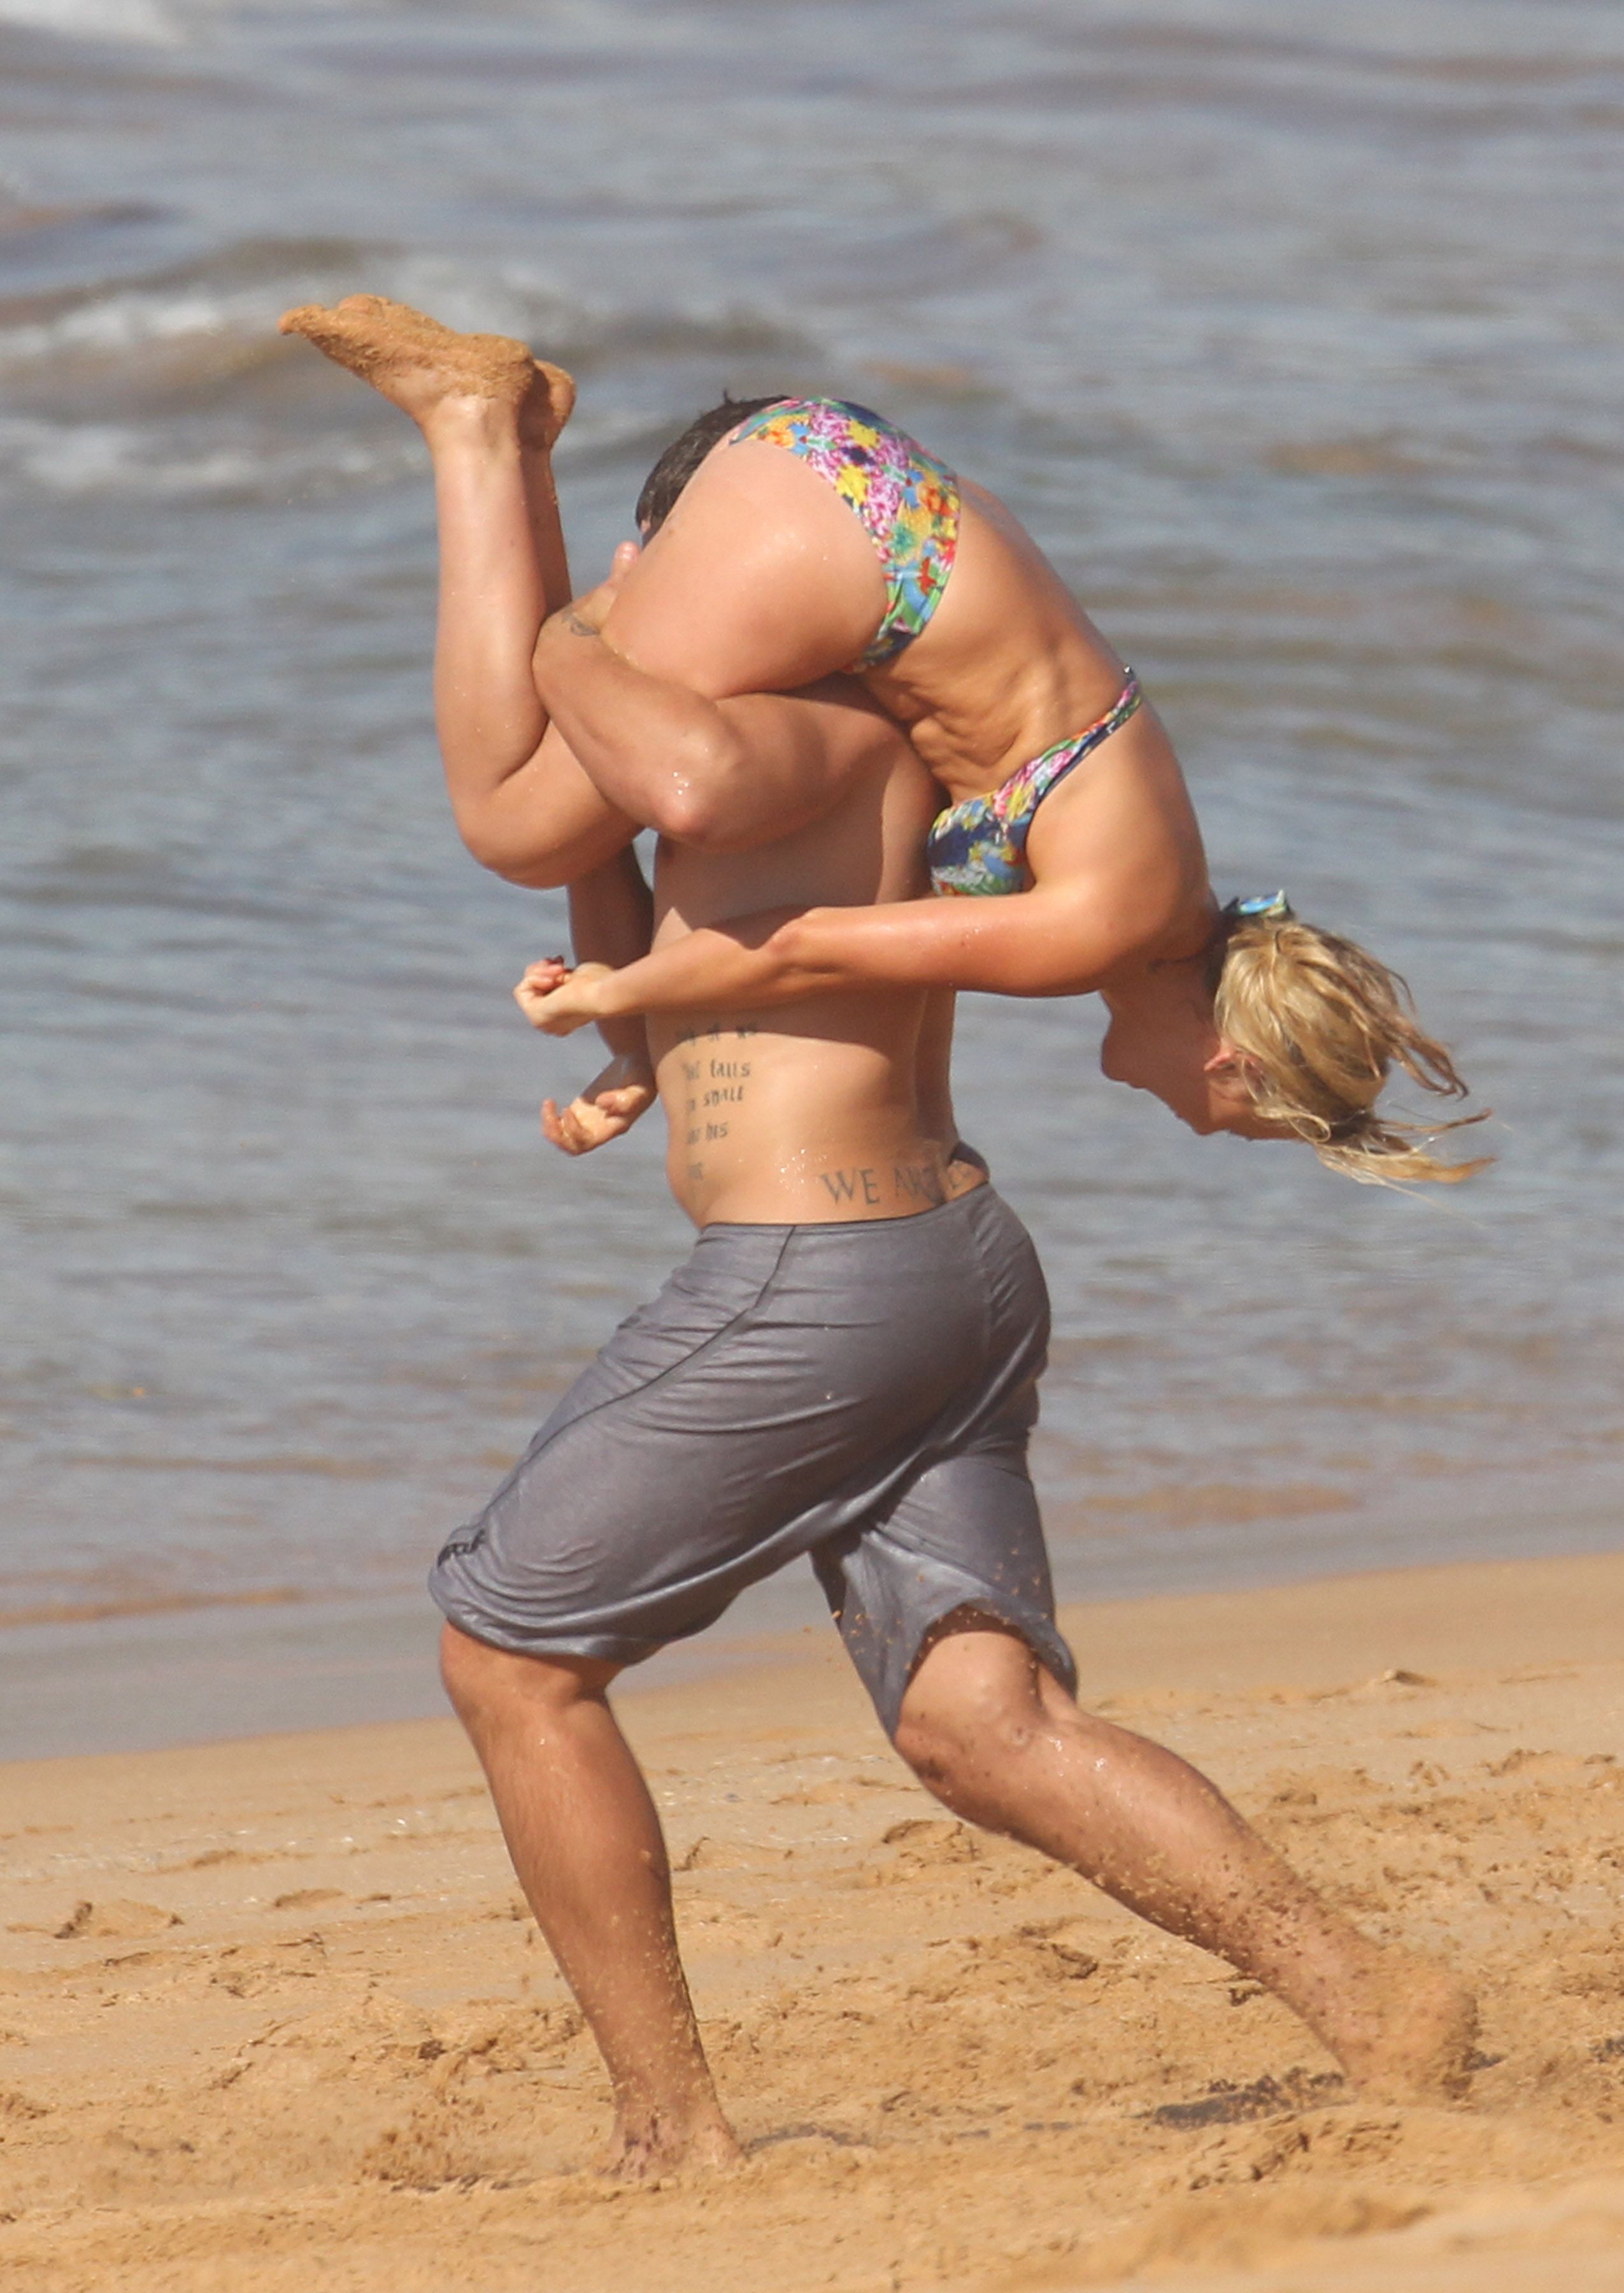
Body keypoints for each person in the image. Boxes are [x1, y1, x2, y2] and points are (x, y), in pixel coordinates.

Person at [277, 298, 1476, 2178]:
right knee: (986, 1726)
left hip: (822, 1279)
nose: (1192, 1113)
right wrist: (628, 1025)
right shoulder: (920, 773)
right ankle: (1367, 1994)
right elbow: (677, 862)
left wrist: (577, 633)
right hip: (949, 1274)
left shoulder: (835, 754)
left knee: (507, 1661)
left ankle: (670, 2132)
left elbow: (697, 840)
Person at [277, 295, 1481, 1178]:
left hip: (869, 514)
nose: (1203, 1131)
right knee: (514, 819)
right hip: (859, 549)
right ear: (1233, 1067)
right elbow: (803, 948)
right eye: (1242, 1130)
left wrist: (632, 1038)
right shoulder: (1110, 927)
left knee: (610, 787)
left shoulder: (1156, 901)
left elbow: (699, 854)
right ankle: (480, 430)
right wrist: (618, 991)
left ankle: (526, 471)